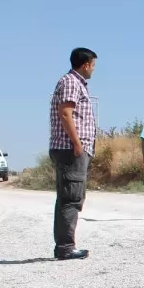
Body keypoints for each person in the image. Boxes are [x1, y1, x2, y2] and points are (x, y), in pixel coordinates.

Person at [49, 47, 98, 260]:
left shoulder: (74, 83)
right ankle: (66, 247)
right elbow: (66, 113)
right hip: (70, 149)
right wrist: (77, 143)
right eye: (93, 66)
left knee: (69, 196)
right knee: (70, 197)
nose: (93, 70)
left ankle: (65, 246)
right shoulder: (71, 82)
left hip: (70, 148)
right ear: (86, 64)